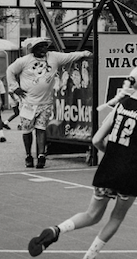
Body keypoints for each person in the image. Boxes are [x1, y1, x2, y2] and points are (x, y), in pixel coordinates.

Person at [28, 65, 137, 259]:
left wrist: (112, 153)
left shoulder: (120, 105)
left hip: (108, 167)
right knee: (116, 217)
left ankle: (56, 230)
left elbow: (96, 139)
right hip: (131, 172)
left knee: (92, 214)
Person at [7, 37, 93, 169]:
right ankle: (28, 155)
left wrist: (84, 54)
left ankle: (41, 156)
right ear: (33, 49)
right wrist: (14, 87)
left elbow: (69, 56)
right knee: (27, 130)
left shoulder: (54, 57)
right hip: (27, 103)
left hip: (45, 102)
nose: (44, 49)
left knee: (41, 129)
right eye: (40, 47)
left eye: (45, 46)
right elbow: (10, 71)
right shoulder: (24, 61)